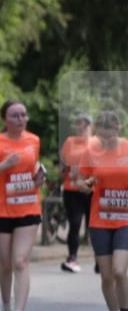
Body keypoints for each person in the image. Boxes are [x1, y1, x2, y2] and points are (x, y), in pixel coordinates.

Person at [0, 100, 46, 311]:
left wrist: (40, 177)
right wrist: (4, 165)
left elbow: (34, 167)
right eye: (15, 115)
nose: (20, 119)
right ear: (5, 120)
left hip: (28, 208)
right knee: (6, 264)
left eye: (23, 115)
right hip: (0, 210)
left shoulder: (34, 140)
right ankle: (6, 306)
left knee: (20, 261)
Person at [73, 110, 128, 311]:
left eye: (110, 135)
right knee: (106, 276)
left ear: (118, 129)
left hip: (125, 220)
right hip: (100, 220)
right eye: (101, 136)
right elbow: (79, 181)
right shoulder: (91, 151)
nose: (105, 141)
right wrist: (86, 184)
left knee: (119, 270)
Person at [59, 113, 95, 273]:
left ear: (91, 127)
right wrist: (62, 175)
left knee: (93, 226)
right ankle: (72, 258)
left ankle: (100, 260)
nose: (81, 127)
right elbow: (62, 166)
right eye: (79, 123)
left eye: (85, 124)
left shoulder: (97, 143)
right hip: (72, 190)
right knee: (74, 224)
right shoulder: (69, 142)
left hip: (91, 190)